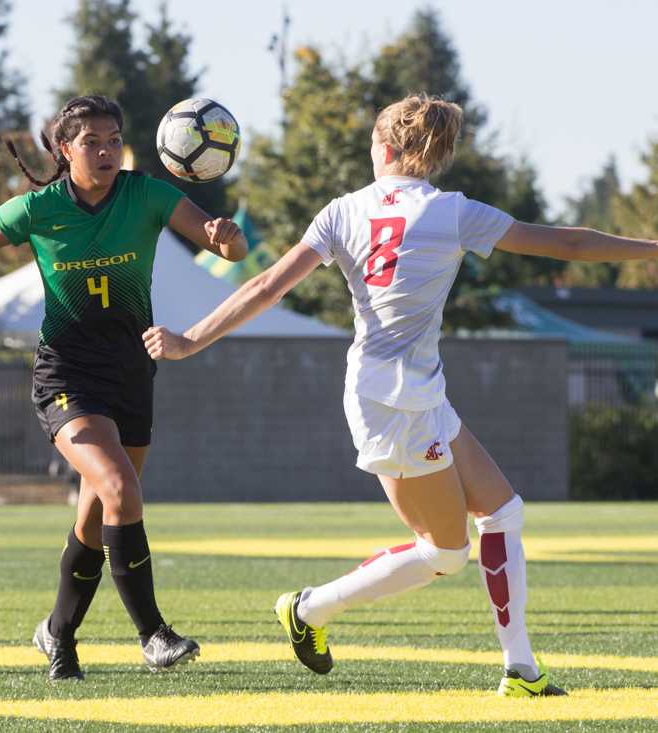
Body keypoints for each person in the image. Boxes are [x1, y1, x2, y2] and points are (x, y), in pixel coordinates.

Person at [142, 93, 658, 697]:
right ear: (434, 155)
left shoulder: (342, 211)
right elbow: (567, 245)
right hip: (396, 401)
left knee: (503, 511)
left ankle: (520, 669)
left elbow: (264, 286)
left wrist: (189, 340)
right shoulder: (454, 211)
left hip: (407, 393)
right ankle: (309, 609)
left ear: (384, 147)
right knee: (444, 554)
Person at [0, 95, 248, 680]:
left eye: (113, 140)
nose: (106, 151)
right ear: (64, 149)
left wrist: (226, 236)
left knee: (94, 518)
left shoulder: (148, 194)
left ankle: (57, 634)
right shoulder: (38, 209)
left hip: (132, 373)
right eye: (92, 142)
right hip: (67, 375)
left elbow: (224, 247)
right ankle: (153, 634)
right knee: (119, 487)